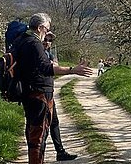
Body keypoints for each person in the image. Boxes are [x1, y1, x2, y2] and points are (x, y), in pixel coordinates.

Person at [13, 13, 92, 164]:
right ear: (41, 27)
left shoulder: (21, 40)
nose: (47, 33)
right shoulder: (34, 42)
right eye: (47, 29)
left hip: (29, 91)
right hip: (39, 93)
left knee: (34, 131)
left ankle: (56, 152)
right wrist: (72, 69)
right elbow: (45, 68)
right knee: (39, 135)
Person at [42, 32, 78, 162]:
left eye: (50, 40)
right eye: (45, 39)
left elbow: (55, 66)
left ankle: (60, 151)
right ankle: (39, 154)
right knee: (42, 125)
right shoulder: (39, 52)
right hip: (40, 93)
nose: (47, 42)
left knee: (54, 122)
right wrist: (71, 69)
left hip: (49, 92)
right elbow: (53, 67)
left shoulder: (48, 53)